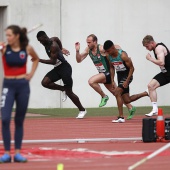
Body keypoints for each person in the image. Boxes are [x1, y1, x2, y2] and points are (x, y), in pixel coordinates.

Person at [75, 34, 136, 122]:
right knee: (117, 94)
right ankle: (131, 107)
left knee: (91, 81)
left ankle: (104, 96)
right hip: (103, 75)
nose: (87, 44)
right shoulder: (88, 50)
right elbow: (79, 60)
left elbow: (115, 46)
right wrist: (77, 51)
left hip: (107, 73)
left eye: (89, 42)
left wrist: (122, 53)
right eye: (87, 42)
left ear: (95, 41)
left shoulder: (101, 48)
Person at [0, 25, 39, 163]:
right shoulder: (3, 48)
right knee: (5, 119)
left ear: (16, 36)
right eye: (6, 35)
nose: (7, 38)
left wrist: (31, 74)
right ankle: (5, 153)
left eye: (9, 35)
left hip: (23, 86)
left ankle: (17, 153)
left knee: (19, 120)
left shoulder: (26, 48)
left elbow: (36, 59)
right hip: (8, 86)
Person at [36, 31, 86, 119]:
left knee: (69, 92)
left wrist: (39, 60)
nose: (41, 43)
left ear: (44, 37)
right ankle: (62, 89)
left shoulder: (53, 46)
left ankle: (82, 110)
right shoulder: (51, 41)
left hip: (65, 68)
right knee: (45, 82)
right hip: (57, 69)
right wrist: (62, 49)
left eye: (41, 41)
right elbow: (57, 38)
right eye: (39, 41)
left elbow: (53, 61)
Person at [103, 40, 148, 122]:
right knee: (127, 100)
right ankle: (145, 93)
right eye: (106, 51)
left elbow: (132, 68)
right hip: (120, 76)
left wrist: (127, 81)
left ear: (113, 48)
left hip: (127, 75)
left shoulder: (123, 55)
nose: (107, 53)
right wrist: (112, 80)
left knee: (117, 92)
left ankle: (121, 117)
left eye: (108, 51)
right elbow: (112, 68)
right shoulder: (108, 56)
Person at [142, 35, 170, 116]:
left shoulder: (159, 48)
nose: (147, 48)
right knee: (151, 86)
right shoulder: (157, 49)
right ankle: (155, 110)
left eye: (147, 46)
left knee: (151, 86)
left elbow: (161, 62)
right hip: (165, 73)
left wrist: (150, 59)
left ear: (152, 43)